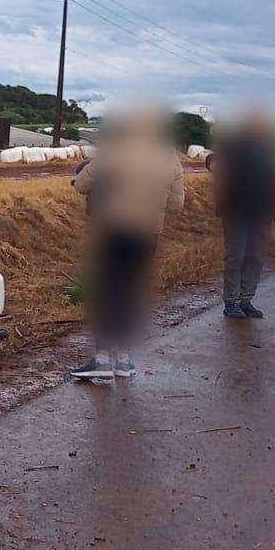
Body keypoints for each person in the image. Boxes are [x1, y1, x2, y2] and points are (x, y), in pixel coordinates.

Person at [70, 107, 186, 379]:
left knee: (107, 289)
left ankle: (101, 360)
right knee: (132, 290)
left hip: (115, 228)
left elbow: (82, 186)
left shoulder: (115, 150)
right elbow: (177, 205)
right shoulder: (170, 156)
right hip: (148, 233)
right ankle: (124, 360)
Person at [212, 109, 275, 320]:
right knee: (236, 256)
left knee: (255, 256)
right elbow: (213, 158)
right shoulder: (231, 143)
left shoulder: (270, 147)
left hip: (263, 211)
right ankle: (231, 302)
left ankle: (246, 299)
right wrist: (214, 164)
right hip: (235, 210)